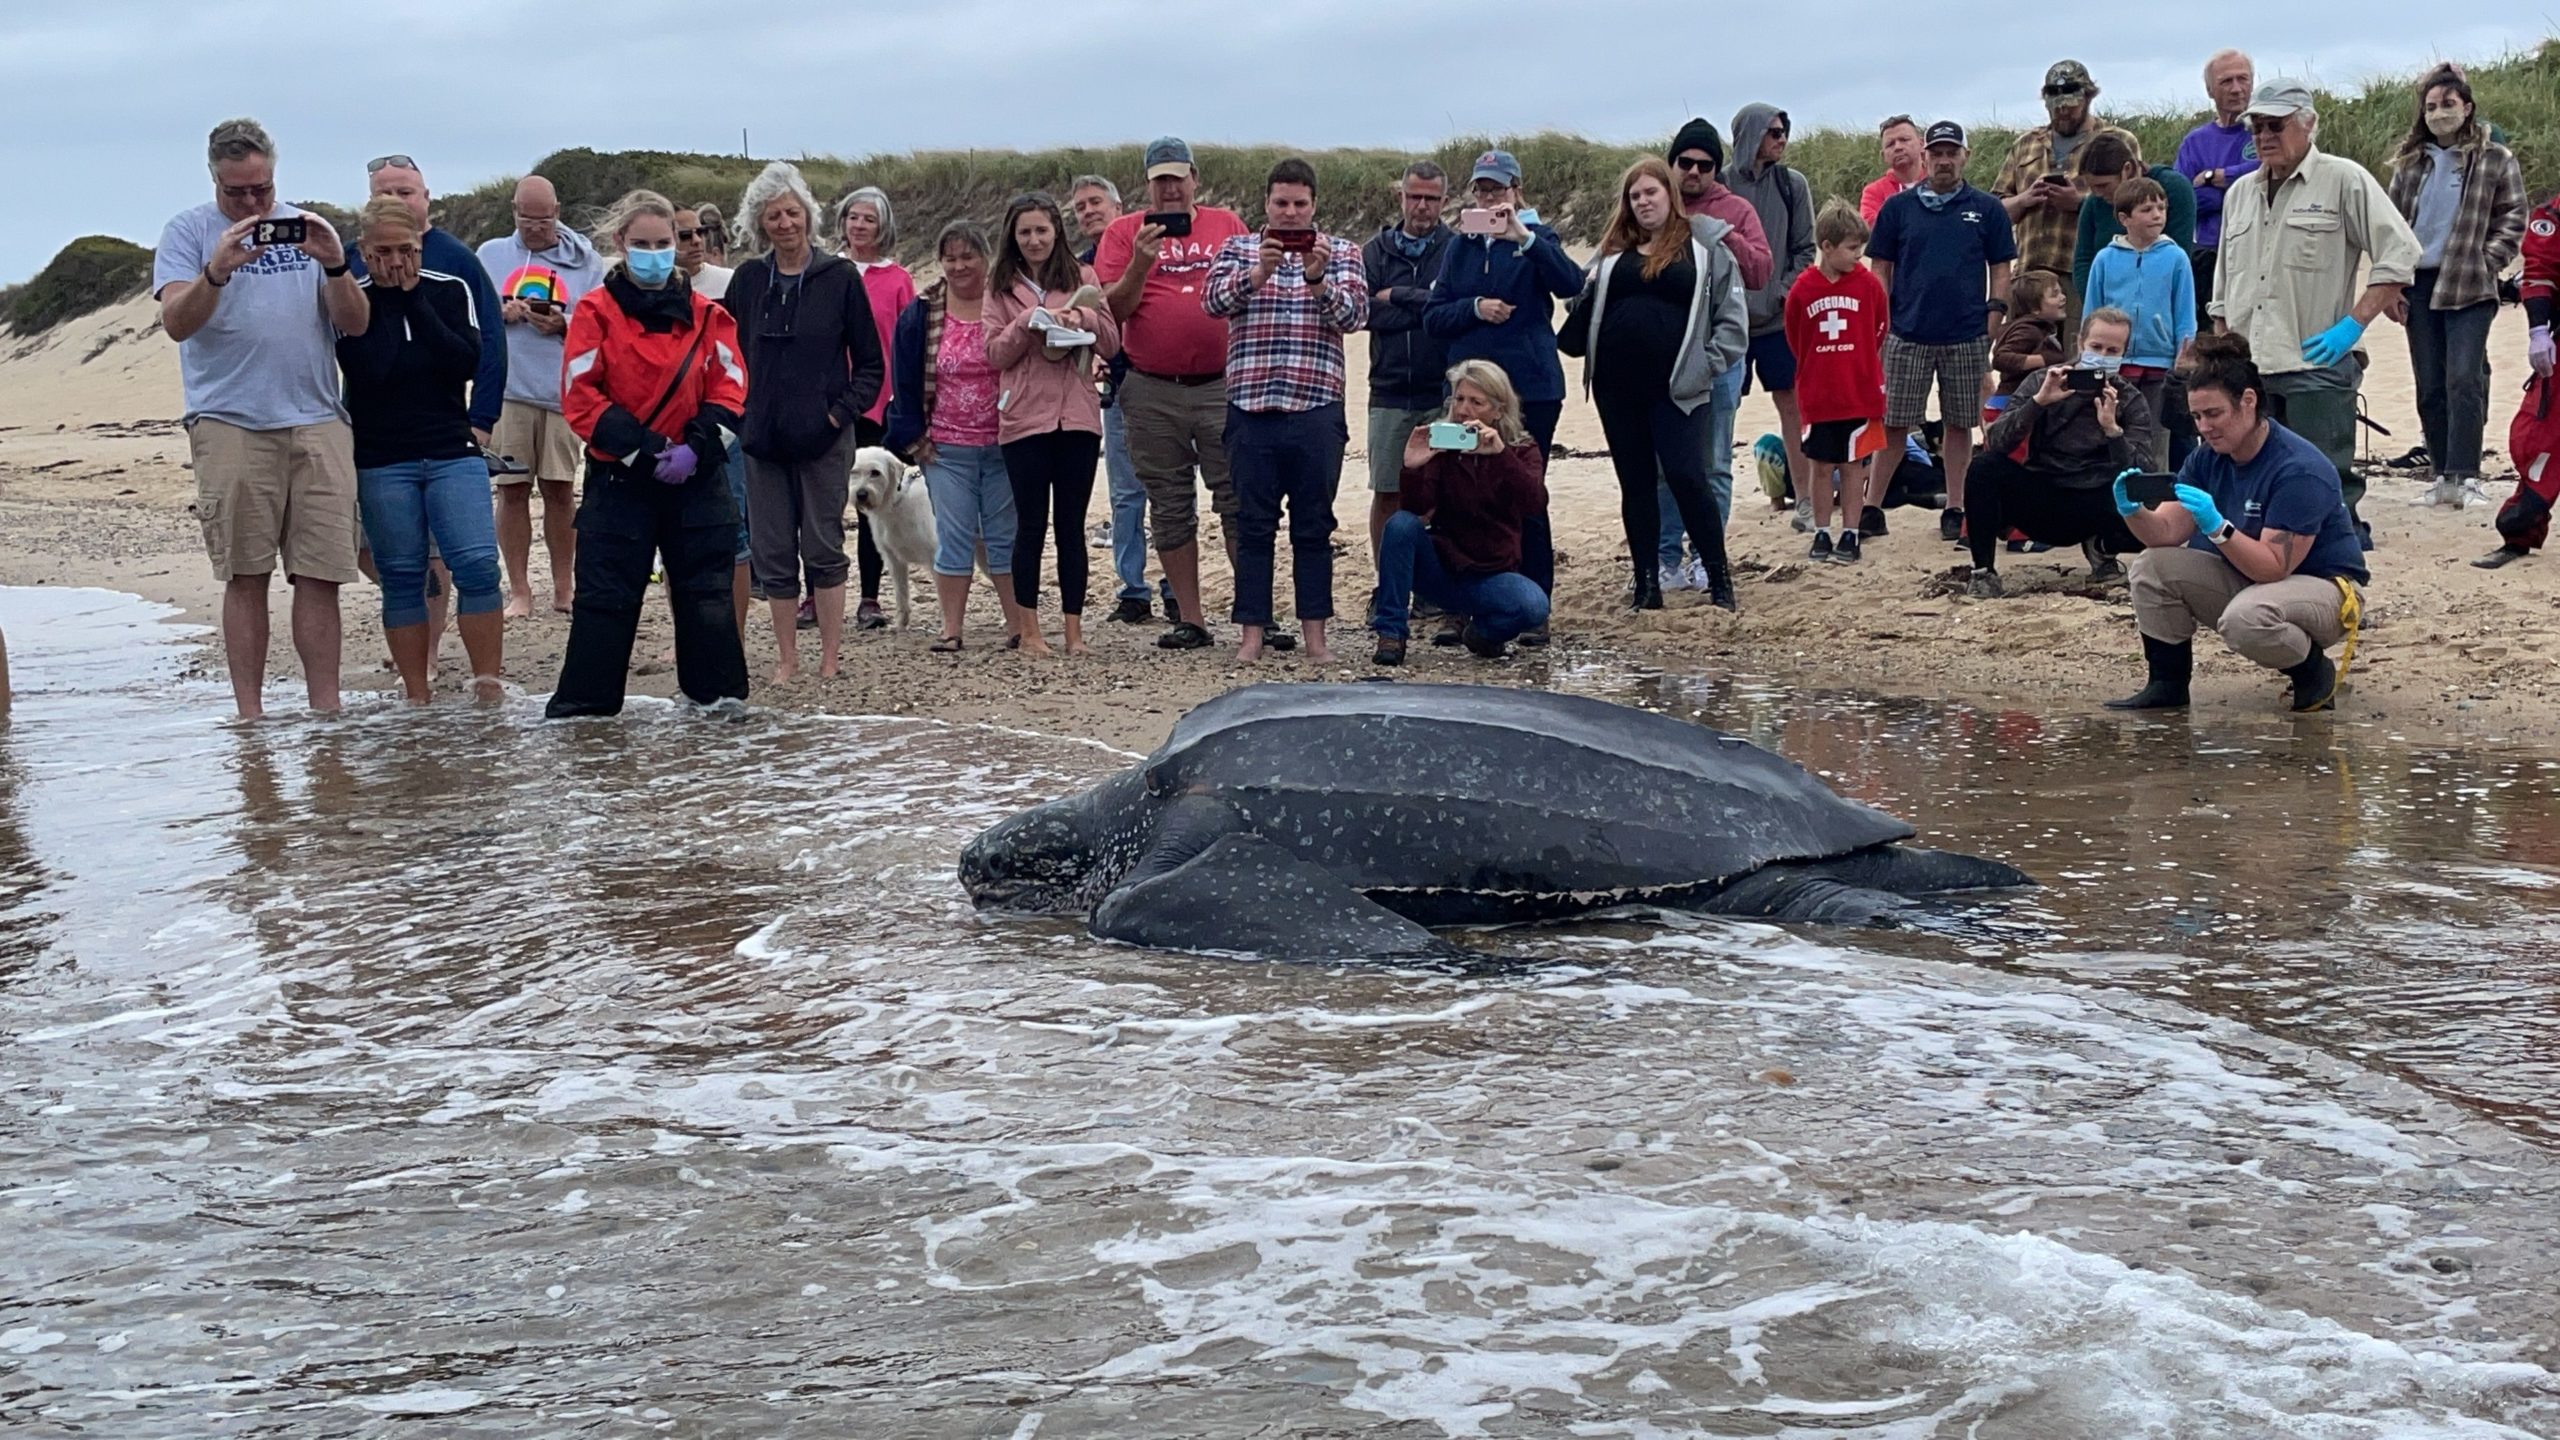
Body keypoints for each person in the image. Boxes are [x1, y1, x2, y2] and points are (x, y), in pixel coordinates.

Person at [154, 118, 369, 720]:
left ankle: (325, 712)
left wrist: (333, 264)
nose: (252, 203)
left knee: (321, 573)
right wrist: (217, 270)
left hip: (317, 416)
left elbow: (354, 324)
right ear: (214, 180)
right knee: (246, 573)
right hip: (230, 420)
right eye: (237, 193)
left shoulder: (307, 228)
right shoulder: (188, 232)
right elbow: (176, 322)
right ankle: (249, 716)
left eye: (262, 191)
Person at [545, 190, 750, 718]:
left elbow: (731, 391)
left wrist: (695, 451)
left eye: (664, 243)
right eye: (643, 244)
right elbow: (580, 395)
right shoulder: (593, 312)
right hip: (621, 479)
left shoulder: (709, 316)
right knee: (604, 604)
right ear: (620, 244)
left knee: (708, 599)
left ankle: (719, 713)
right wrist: (647, 451)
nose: (655, 253)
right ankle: (586, 723)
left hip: (696, 477)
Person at [2106, 330, 2365, 713]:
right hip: (2253, 578)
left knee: (2247, 617)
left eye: (2214, 414)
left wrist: (2217, 527)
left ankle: (2312, 671)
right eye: (2197, 417)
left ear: (2248, 401)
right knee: (2151, 567)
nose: (2204, 427)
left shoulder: (2299, 469)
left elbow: (2274, 567)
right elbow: (2165, 534)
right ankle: (2167, 685)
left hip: (2324, 589)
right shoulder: (2207, 456)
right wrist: (2133, 510)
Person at [2211, 78, 2421, 547]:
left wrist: (2354, 324)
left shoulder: (2344, 178)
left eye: (2276, 125)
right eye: (2257, 126)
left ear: (2308, 124)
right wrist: (2224, 348)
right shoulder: (2239, 194)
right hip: (2252, 366)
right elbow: (2224, 282)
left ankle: (2342, 559)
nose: (2264, 136)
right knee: (2257, 479)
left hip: (2316, 361)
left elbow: (2400, 252)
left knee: (2326, 477)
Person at [1558, 157, 1748, 610]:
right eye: (1635, 195)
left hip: (1679, 388)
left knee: (1688, 477)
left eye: (1651, 192)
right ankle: (1647, 584)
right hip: (1616, 388)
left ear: (1671, 195)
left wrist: (1705, 366)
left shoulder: (1704, 248)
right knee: (1636, 483)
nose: (1643, 201)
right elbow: (1578, 304)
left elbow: (1732, 320)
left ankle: (1720, 579)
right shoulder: (1610, 253)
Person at [337, 196, 505, 702]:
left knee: (476, 564)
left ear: (420, 248)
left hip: (451, 447)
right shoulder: (352, 302)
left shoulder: (448, 291)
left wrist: (413, 298)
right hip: (383, 456)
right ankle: (416, 693)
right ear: (364, 251)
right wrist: (388, 300)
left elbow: (463, 361)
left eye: (406, 250)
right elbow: (373, 369)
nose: (396, 262)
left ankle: (488, 684)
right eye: (383, 252)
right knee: (403, 574)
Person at [724, 161, 886, 683]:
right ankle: (788, 661)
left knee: (823, 546)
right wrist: (739, 414)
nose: (785, 223)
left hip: (825, 438)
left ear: (808, 216)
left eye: (793, 212)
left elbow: (870, 365)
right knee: (772, 552)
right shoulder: (748, 279)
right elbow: (725, 353)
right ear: (759, 222)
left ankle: (830, 661)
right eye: (773, 215)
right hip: (761, 440)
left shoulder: (839, 278)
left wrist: (838, 413)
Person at [1203, 157, 1369, 662]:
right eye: (1282, 203)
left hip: (1315, 407)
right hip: (1250, 407)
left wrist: (1318, 280)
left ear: (1314, 205)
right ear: (1266, 204)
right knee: (1253, 525)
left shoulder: (1342, 252)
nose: (1291, 213)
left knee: (1314, 526)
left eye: (1300, 204)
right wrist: (1259, 273)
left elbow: (1357, 316)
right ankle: (1251, 636)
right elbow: (1211, 303)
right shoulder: (1236, 249)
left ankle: (1316, 638)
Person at [1095, 137, 1254, 651]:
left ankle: (1256, 615)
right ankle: (1192, 619)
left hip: (1222, 383)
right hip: (1151, 387)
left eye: (1176, 178)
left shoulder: (1227, 224)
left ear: (1194, 179)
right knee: (1168, 504)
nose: (1169, 188)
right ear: (1147, 184)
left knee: (1238, 499)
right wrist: (1142, 262)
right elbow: (1109, 313)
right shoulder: (1123, 233)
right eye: (1159, 179)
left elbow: (1252, 290)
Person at [1422, 149, 1581, 603]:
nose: (1489, 198)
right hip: (1469, 393)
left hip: (1532, 389)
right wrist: (1475, 307)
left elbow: (1571, 284)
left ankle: (1534, 600)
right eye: (1482, 189)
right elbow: (1434, 317)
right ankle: (1466, 599)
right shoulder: (1460, 244)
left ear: (1516, 190)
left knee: (1525, 493)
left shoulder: (1538, 237)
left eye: (1498, 188)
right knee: (1461, 492)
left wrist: (1522, 236)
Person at [985, 191, 1121, 658]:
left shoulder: (1082, 276)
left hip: (1078, 416)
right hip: (1023, 419)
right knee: (1030, 525)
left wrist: (1079, 314)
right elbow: (994, 354)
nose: (1034, 239)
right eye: (1025, 232)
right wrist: (1028, 321)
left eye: (1042, 230)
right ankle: (1030, 632)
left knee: (1071, 525)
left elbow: (1110, 341)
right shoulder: (1000, 286)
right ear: (1013, 237)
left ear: (1056, 232)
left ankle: (1074, 633)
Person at [1869, 121, 2017, 546]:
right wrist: (1883, 320)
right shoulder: (1898, 209)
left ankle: (1956, 506)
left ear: (1965, 156)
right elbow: (1881, 266)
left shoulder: (1987, 209)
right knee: (1894, 424)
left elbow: (2001, 266)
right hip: (1907, 331)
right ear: (1925, 156)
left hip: (1966, 332)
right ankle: (1871, 507)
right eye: (1937, 152)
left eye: (1952, 152)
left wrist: (1996, 313)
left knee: (1959, 424)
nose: (1944, 160)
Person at [2388, 64, 2526, 511]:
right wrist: (2393, 283)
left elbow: (2513, 214)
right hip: (2420, 283)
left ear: (2467, 108)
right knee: (2429, 383)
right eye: (2431, 106)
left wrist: (2489, 260)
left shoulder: (2494, 158)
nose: (2439, 112)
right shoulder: (2410, 165)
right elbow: (2391, 225)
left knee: (2464, 379)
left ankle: (2467, 475)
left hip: (2469, 280)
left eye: (2448, 104)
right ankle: (2441, 475)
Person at [886, 221, 1028, 651]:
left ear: (987, 258)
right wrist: (913, 438)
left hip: (1005, 443)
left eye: (968, 256)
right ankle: (951, 631)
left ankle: (1018, 627)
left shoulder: (1008, 301)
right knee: (954, 536)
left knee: (1004, 536)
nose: (959, 265)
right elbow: (904, 377)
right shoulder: (923, 311)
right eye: (950, 257)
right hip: (945, 447)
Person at [478, 175, 605, 618]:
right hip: (509, 391)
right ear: (514, 212)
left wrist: (564, 324)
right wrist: (501, 311)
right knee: (511, 490)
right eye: (526, 219)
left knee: (560, 490)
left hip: (562, 391)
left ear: (557, 214)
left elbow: (602, 320)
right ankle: (519, 590)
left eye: (544, 220)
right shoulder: (491, 255)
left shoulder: (585, 260)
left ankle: (564, 587)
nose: (535, 229)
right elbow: (470, 314)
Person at [1963, 307, 2157, 595]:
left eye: (2112, 350)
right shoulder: (2044, 380)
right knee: (1983, 467)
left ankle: (2102, 550)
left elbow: (2143, 471)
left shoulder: (2129, 398)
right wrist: (2038, 403)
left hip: (2099, 499)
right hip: (2045, 492)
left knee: (2157, 491)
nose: (2102, 356)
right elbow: (1998, 440)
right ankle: (1983, 571)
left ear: (2123, 354)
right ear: (2080, 344)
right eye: (2096, 347)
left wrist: (2112, 431)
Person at [1372, 360, 1550, 665]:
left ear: (1498, 409)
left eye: (1475, 402)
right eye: (1459, 399)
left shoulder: (1521, 449)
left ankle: (1482, 633)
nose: (1463, 409)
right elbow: (1416, 510)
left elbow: (1534, 504)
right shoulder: (1444, 444)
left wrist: (1501, 456)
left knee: (1533, 605)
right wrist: (1412, 468)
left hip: (1491, 572)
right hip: (1442, 567)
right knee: (1400, 524)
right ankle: (1391, 633)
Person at [1659, 117, 1772, 584]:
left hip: (1721, 356)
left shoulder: (1737, 209)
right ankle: (1666, 559)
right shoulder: (1654, 203)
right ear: (1672, 164)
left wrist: (1722, 234)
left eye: (1705, 165)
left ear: (1716, 170)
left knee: (1715, 463)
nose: (1694, 173)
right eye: (1685, 162)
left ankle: (1708, 557)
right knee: (1665, 464)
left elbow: (1762, 272)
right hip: (1664, 355)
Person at [1069, 174, 1173, 625]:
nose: (1088, 211)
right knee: (1125, 494)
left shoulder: (1145, 247)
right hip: (1114, 389)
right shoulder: (1075, 267)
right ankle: (1133, 588)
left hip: (1161, 382)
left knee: (1171, 491)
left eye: (1096, 202)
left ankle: (1174, 585)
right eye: (1080, 207)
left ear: (1117, 207)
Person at [1992, 61, 2137, 348]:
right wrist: (2025, 199)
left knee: (2076, 360)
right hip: (2029, 277)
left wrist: (2079, 203)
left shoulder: (2117, 141)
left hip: (2081, 274)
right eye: (2055, 105)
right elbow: (1995, 213)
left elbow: (2134, 203)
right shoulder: (2025, 144)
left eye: (2070, 105)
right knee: (2021, 363)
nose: (2063, 111)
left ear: (2088, 97)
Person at [1727, 104, 1819, 526]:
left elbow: (1805, 248)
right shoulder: (1720, 185)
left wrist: (1783, 292)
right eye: (1773, 132)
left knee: (1793, 409)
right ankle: (1714, 505)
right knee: (1720, 411)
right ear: (1750, 135)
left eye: (1785, 131)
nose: (1782, 139)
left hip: (1780, 320)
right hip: (1727, 323)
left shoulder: (1791, 184)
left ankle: (1805, 499)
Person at [1783, 200, 1890, 563]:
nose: (1857, 256)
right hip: (1819, 393)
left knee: (1852, 465)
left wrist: (1857, 362)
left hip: (1857, 391)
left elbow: (1879, 328)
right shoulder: (1803, 288)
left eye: (1860, 248)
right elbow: (1796, 336)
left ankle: (1851, 532)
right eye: (1850, 248)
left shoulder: (1868, 285)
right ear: (1826, 246)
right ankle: (1821, 531)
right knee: (1821, 465)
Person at [1361, 162, 1455, 559]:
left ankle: (1432, 585)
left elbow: (1450, 309)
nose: (1421, 207)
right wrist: (1427, 305)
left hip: (1445, 396)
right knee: (1387, 491)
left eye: (1431, 199)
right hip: (1389, 393)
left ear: (1444, 202)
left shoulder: (1456, 248)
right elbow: (1364, 312)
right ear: (1400, 196)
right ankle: (1388, 586)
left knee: (1442, 493)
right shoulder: (1374, 251)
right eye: (1414, 197)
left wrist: (1396, 294)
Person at [836, 185, 914, 628]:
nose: (860, 225)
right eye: (854, 217)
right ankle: (816, 597)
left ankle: (870, 598)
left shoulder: (897, 278)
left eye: (869, 218)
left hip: (880, 403)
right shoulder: (828, 271)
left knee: (873, 502)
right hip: (831, 401)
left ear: (883, 225)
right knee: (826, 504)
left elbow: (906, 343)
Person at [2082, 178, 2197, 469]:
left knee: (2156, 439)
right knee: (2109, 431)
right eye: (2147, 209)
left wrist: (2183, 358)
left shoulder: (2176, 257)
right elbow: (2091, 312)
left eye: (2161, 208)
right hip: (2114, 364)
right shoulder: (2105, 259)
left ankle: (2153, 501)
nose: (2157, 215)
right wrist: (2087, 357)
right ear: (2124, 218)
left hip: (2160, 365)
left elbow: (2184, 311)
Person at [675, 204, 749, 636]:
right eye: (684, 235)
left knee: (733, 531)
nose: (697, 241)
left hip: (723, 426)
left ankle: (733, 633)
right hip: (669, 430)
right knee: (676, 541)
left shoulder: (728, 283)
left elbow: (738, 355)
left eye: (701, 232)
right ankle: (684, 634)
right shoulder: (657, 288)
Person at [2478, 187, 2560, 567]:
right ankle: (2519, 531)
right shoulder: (2554, 215)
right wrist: (2538, 331)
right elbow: (2540, 272)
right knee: (2537, 438)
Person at [2176, 50, 2260, 331]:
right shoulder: (2195, 142)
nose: (2237, 89)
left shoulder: (2265, 130)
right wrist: (2225, 191)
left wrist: (2217, 176)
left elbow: (2269, 172)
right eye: (2226, 82)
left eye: (2243, 79)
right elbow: (2183, 200)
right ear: (2210, 90)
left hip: (2257, 249)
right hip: (2210, 253)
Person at [2069, 133, 2197, 299]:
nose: (2097, 193)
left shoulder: (2174, 188)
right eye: (2092, 187)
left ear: (2127, 170)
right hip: (2106, 307)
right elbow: (2083, 260)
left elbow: (2177, 256)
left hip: (2160, 302)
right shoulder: (2094, 202)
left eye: (2103, 185)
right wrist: (2097, 302)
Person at [1991, 270, 2068, 408]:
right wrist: (2044, 360)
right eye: (2054, 294)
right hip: (2009, 404)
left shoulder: (2038, 327)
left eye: (2061, 292)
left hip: (2011, 402)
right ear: (2034, 309)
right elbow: (2000, 358)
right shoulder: (2029, 330)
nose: (2063, 297)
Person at [1861, 117, 1925, 229]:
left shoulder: (1940, 184)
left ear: (1922, 144)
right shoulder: (1873, 192)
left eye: (1904, 140)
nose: (1898, 147)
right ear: (1883, 155)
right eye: (1890, 144)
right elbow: (1872, 228)